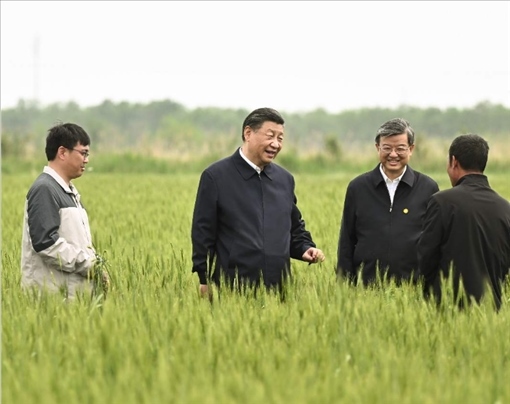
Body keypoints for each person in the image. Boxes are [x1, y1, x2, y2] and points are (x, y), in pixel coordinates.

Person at [191, 107, 325, 297]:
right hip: (231, 289)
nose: (276, 144)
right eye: (270, 136)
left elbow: (293, 227)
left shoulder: (284, 179)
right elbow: (203, 232)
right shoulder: (216, 177)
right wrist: (204, 279)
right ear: (248, 133)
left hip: (279, 290)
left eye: (280, 138)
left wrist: (305, 248)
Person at [337, 118, 439, 285]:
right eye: (387, 148)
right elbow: (347, 242)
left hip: (412, 288)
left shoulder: (427, 188)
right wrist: (344, 286)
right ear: (378, 147)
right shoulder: (358, 187)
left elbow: (434, 243)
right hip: (366, 287)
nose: (393, 154)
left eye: (400, 149)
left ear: (411, 149)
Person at [418, 134, 510, 310]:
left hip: (447, 308)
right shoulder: (505, 208)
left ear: (454, 161)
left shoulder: (441, 202)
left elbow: (426, 259)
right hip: (492, 311)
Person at [21, 122, 104, 300]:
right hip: (52, 301)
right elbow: (45, 243)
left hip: (72, 299)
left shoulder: (67, 191)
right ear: (62, 152)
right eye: (83, 153)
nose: (86, 160)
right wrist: (89, 264)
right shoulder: (45, 189)